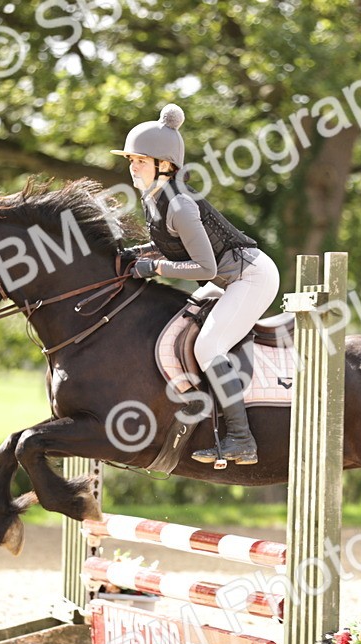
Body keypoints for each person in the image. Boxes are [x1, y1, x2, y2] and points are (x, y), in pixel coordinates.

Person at [111, 104, 280, 466]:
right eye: (132, 160)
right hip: (226, 278)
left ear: (165, 165)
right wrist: (131, 255)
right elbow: (171, 246)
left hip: (251, 276)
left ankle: (241, 439)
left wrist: (153, 267)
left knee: (208, 346)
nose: (132, 167)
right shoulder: (153, 198)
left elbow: (203, 265)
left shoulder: (181, 205)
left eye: (140, 160)